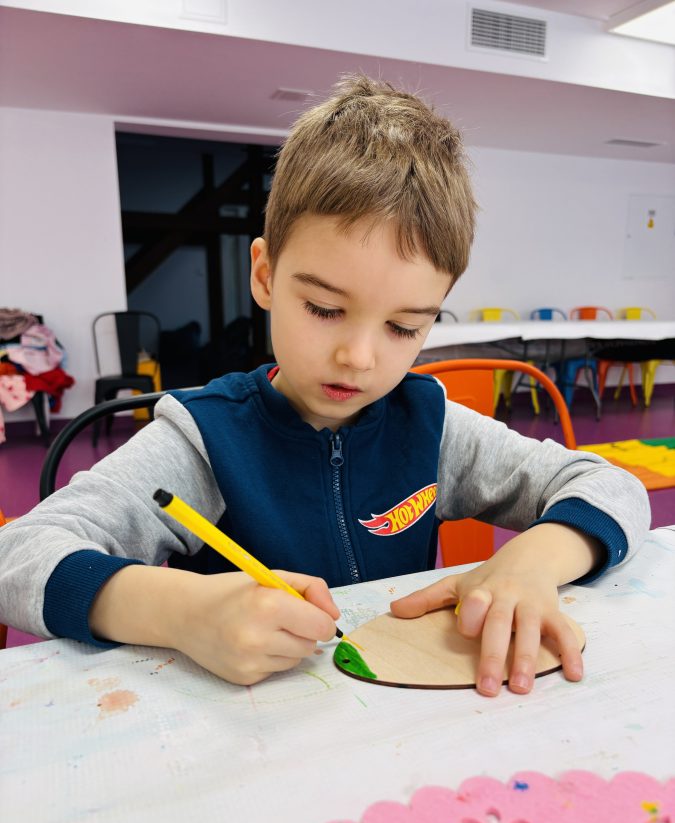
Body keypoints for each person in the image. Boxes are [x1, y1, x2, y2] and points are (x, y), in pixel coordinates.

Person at [0, 76, 650, 696]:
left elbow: (611, 486)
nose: (358, 357)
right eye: (324, 309)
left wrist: (532, 561)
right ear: (265, 276)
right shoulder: (204, 441)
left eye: (403, 326)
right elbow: (18, 557)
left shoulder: (433, 428)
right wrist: (180, 612)